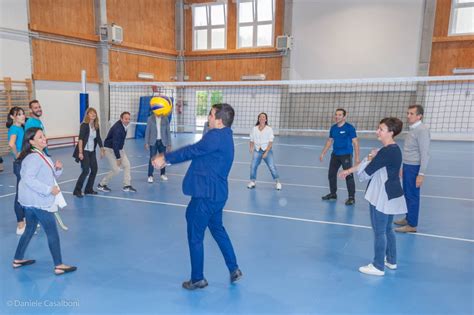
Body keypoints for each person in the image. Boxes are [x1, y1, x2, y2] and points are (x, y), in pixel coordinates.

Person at [152, 103, 242, 290]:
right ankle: (234, 269)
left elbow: (192, 150)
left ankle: (197, 278)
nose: (208, 117)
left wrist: (165, 158)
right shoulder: (226, 135)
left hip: (206, 195)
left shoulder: (215, 136)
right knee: (217, 229)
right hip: (217, 194)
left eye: (210, 115)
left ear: (218, 121)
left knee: (195, 234)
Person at [339, 117, 407, 276]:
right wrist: (372, 158)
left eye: (381, 129)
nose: (378, 131)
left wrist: (369, 158)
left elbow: (365, 174)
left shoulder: (385, 152)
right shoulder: (395, 149)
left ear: (391, 132)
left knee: (379, 230)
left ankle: (378, 266)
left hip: (382, 196)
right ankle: (391, 260)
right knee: (388, 229)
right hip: (392, 193)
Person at [13, 127, 77, 275]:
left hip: (30, 202)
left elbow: (48, 176)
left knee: (29, 230)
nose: (44, 139)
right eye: (40, 137)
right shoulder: (34, 157)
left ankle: (17, 259)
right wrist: (49, 190)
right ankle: (59, 265)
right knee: (52, 232)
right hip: (38, 202)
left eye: (44, 136)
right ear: (31, 141)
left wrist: (58, 169)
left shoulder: (39, 155)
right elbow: (28, 179)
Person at [394, 105, 430, 233]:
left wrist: (421, 174)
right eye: (408, 113)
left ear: (419, 116)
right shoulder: (413, 129)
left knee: (413, 195)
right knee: (408, 194)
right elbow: (409, 150)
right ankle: (408, 218)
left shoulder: (422, 130)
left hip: (415, 168)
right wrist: (403, 166)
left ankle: (412, 225)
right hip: (408, 166)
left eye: (411, 114)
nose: (408, 116)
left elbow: (425, 153)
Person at [320, 108, 360, 205]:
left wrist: (357, 157)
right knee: (331, 174)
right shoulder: (333, 128)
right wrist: (323, 153)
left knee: (348, 175)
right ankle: (333, 194)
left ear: (344, 116)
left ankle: (351, 197)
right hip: (335, 155)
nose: (337, 116)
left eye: (339, 115)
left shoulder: (349, 128)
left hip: (346, 155)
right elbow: (330, 141)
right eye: (336, 114)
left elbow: (355, 142)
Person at [97, 111, 137, 192]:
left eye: (129, 119)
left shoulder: (125, 126)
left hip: (119, 149)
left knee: (127, 165)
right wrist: (118, 158)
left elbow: (118, 143)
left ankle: (127, 185)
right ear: (121, 119)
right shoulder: (117, 128)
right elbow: (115, 144)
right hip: (109, 149)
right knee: (116, 169)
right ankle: (101, 184)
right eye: (126, 119)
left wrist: (120, 152)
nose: (128, 120)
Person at [72, 108, 105, 197]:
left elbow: (98, 138)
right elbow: (80, 139)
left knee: (94, 169)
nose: (93, 115)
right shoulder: (84, 125)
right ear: (87, 115)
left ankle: (88, 189)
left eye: (94, 113)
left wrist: (102, 149)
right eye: (91, 113)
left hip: (92, 151)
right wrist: (80, 152)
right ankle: (77, 190)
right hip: (84, 151)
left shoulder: (96, 125)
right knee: (86, 170)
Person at [247, 112, 282, 190]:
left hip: (267, 150)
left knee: (271, 166)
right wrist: (251, 147)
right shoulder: (254, 129)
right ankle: (252, 181)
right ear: (258, 119)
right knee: (253, 166)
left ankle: (278, 182)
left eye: (263, 117)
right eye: (260, 117)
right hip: (257, 150)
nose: (262, 118)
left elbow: (270, 142)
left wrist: (266, 152)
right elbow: (251, 139)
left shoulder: (269, 129)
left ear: (266, 119)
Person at [7, 107, 26, 234]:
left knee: (25, 193)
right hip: (20, 164)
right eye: (19, 114)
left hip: (25, 163)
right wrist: (17, 155)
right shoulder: (15, 128)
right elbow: (11, 144)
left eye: (23, 113)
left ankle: (25, 220)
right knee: (20, 195)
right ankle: (20, 225)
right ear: (13, 117)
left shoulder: (20, 128)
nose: (23, 116)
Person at [144, 111, 171, 183]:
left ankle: (163, 174)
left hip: (163, 142)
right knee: (152, 159)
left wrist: (169, 144)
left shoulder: (165, 119)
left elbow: (168, 132)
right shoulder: (150, 119)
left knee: (163, 159)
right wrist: (146, 142)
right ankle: (150, 176)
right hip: (153, 142)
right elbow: (147, 131)